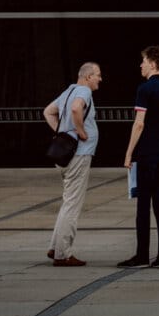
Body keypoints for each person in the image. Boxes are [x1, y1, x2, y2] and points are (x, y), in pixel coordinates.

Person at [116, 45, 159, 269]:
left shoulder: (145, 89)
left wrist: (129, 152)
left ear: (153, 63)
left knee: (143, 204)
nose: (140, 65)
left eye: (143, 61)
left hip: (147, 153)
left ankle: (142, 254)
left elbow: (139, 123)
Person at [43, 61, 103, 267]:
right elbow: (77, 109)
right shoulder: (84, 92)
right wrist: (80, 132)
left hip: (66, 156)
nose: (100, 79)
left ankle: (55, 247)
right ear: (87, 76)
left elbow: (48, 112)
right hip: (79, 155)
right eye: (98, 75)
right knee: (73, 204)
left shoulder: (68, 91)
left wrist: (61, 133)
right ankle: (63, 253)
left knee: (67, 201)